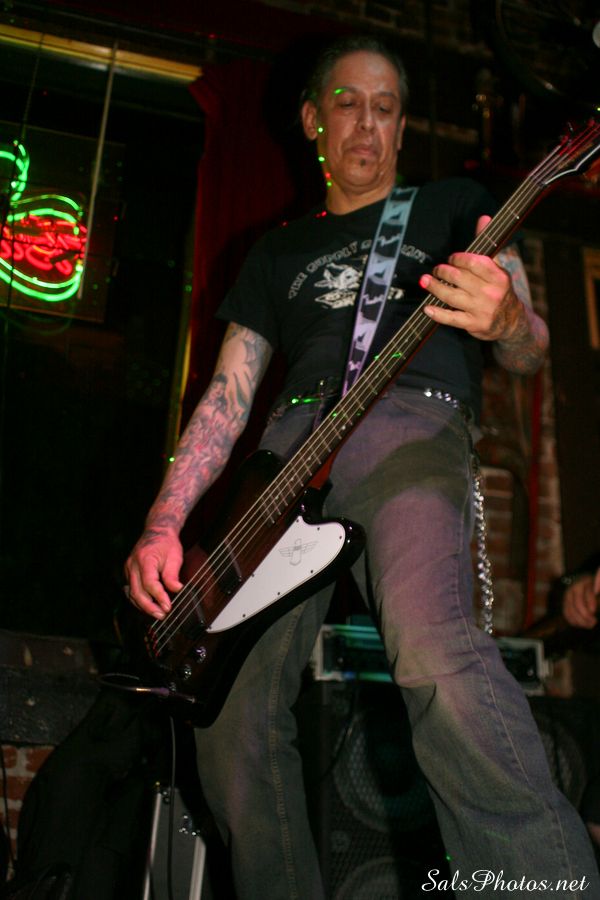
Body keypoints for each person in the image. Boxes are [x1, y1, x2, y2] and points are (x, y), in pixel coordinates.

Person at [125, 34, 600, 898]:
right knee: (227, 716)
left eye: (387, 109)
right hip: (282, 456)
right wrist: (164, 523)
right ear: (313, 119)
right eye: (349, 103)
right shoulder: (276, 252)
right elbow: (227, 398)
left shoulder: (457, 206)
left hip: (411, 425)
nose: (368, 124)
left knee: (432, 653)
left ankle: (544, 884)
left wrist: (506, 323)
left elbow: (529, 348)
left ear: (404, 127)